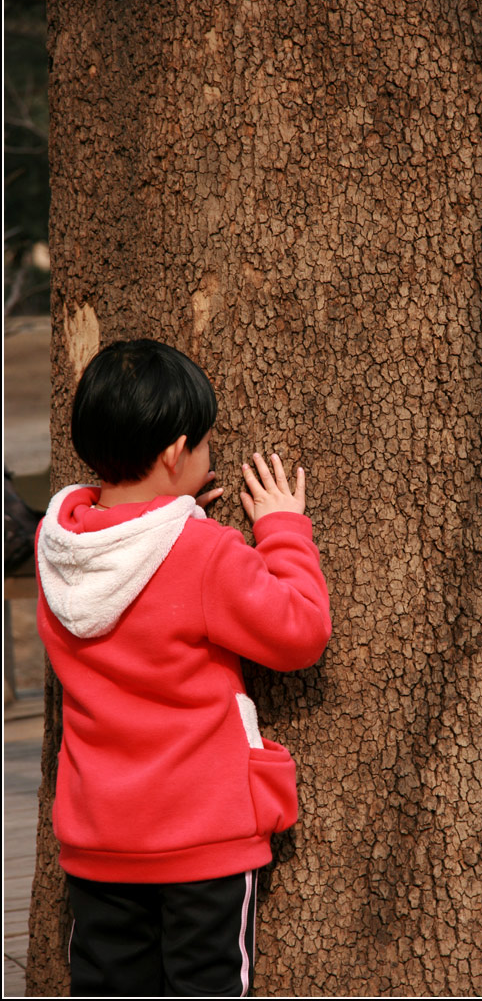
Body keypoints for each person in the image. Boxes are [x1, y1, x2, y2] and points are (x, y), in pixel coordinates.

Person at [35, 338, 331, 997]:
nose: (209, 456)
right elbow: (300, 632)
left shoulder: (57, 548)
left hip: (99, 842)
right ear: (175, 451)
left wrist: (174, 508)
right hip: (203, 842)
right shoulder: (204, 552)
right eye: (203, 443)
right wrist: (282, 528)